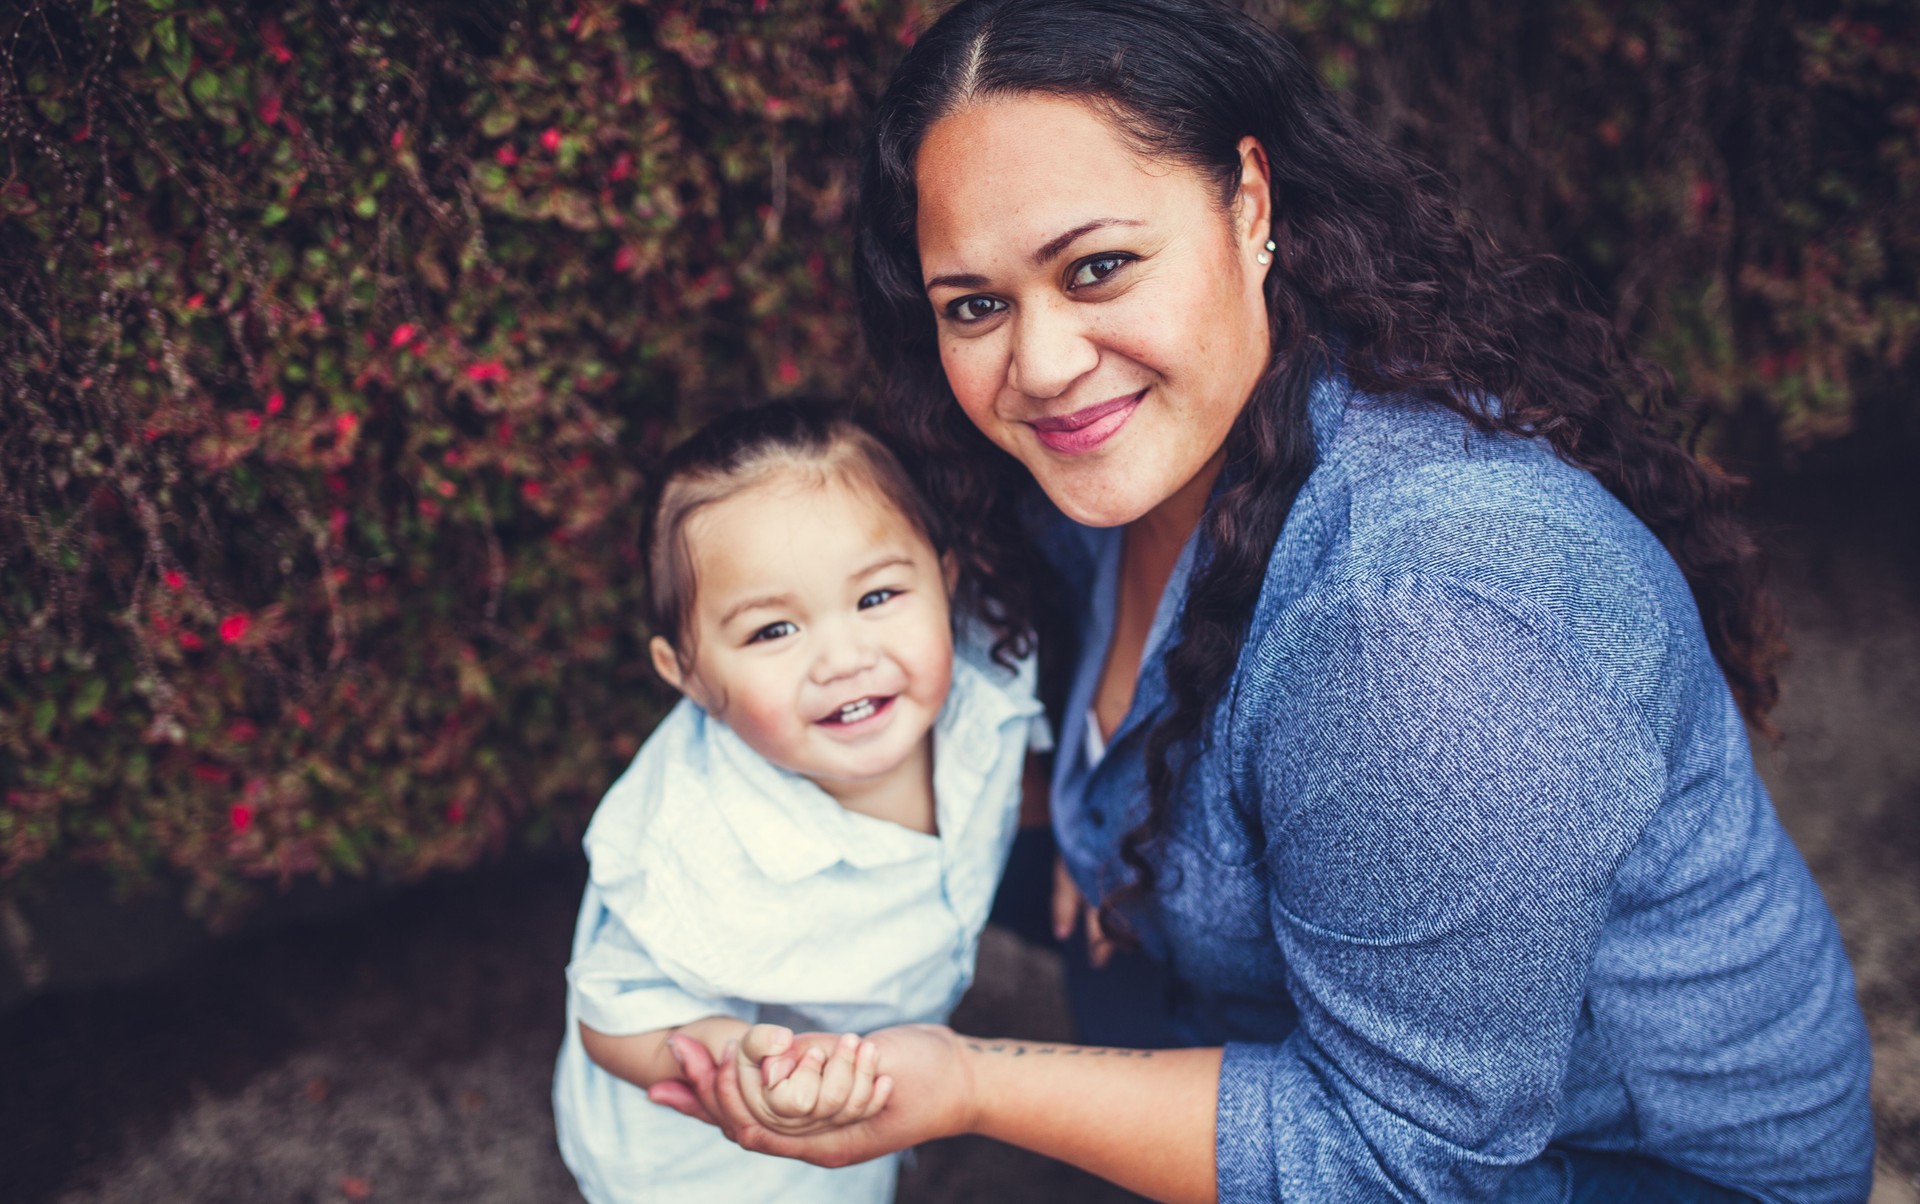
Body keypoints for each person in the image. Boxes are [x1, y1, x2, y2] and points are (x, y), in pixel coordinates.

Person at [646, 1, 1877, 1201]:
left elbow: (1403, 1165)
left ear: (1250, 201)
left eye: (1100, 267)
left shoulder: (1431, 626)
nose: (1042, 363)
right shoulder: (1114, 468)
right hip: (1233, 1002)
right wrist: (1091, 819)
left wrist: (969, 1082)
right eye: (975, 303)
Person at [550, 401, 1045, 1203]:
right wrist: (732, 1058)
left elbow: (1013, 774)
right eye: (773, 631)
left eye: (878, 596)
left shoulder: (986, 678)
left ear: (945, 582)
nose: (844, 657)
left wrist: (1091, 846)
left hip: (873, 1072)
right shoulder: (686, 844)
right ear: (689, 675)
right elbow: (612, 1014)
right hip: (722, 1166)